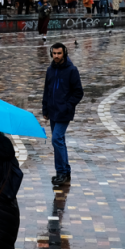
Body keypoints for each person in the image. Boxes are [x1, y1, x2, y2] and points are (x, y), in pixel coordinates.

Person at [42, 43, 83, 186]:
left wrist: (68, 106)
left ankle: (61, 172)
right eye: (54, 53)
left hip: (64, 112)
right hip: (53, 112)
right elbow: (46, 91)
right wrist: (45, 109)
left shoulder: (72, 70)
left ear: (64, 53)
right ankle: (65, 170)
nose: (56, 56)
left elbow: (78, 92)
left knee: (56, 139)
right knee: (59, 141)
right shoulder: (50, 70)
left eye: (59, 53)